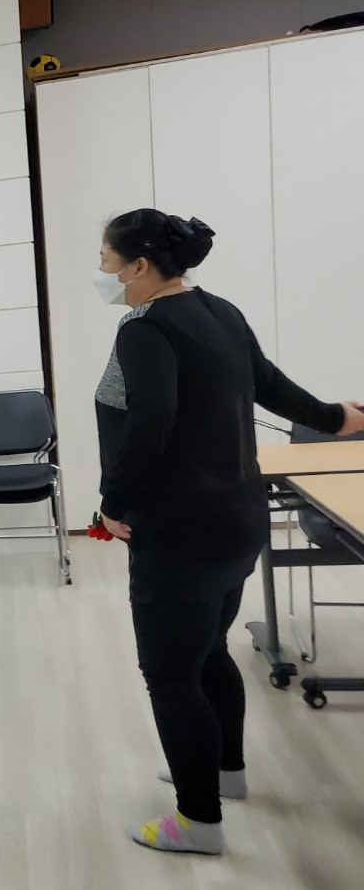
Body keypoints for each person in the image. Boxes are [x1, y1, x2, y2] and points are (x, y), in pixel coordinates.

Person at [93, 208, 364, 856]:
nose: (100, 271)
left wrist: (113, 503)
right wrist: (334, 418)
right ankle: (225, 773)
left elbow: (152, 420)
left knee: (171, 675)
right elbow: (270, 384)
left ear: (139, 266)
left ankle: (197, 821)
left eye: (105, 259)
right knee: (209, 650)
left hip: (179, 532)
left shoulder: (147, 329)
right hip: (237, 520)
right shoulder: (219, 312)